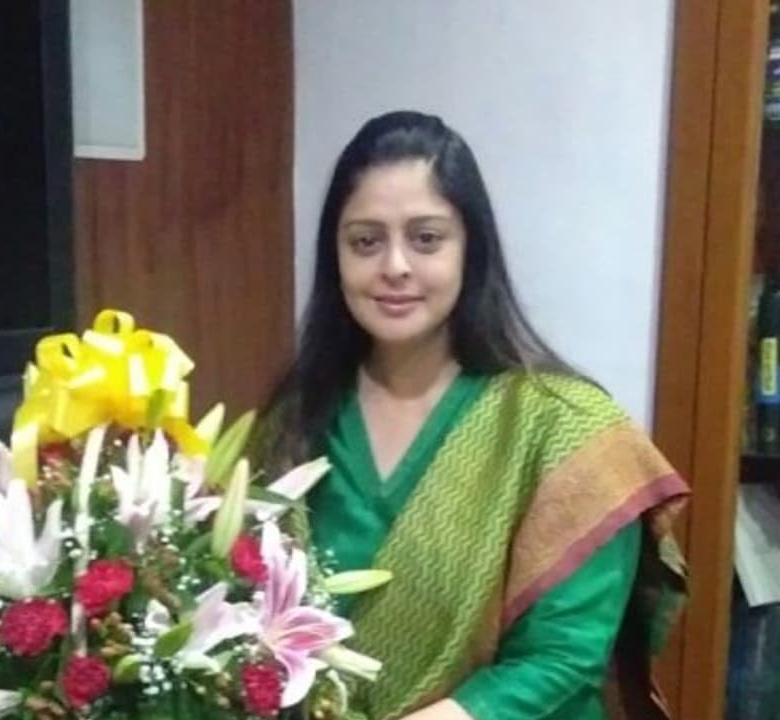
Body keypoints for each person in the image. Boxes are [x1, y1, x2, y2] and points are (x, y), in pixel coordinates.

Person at [254, 111, 687, 720]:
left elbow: (563, 659)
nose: (395, 266)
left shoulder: (565, 429)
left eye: (426, 238)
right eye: (365, 241)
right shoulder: (297, 421)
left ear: (470, 249)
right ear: (336, 257)